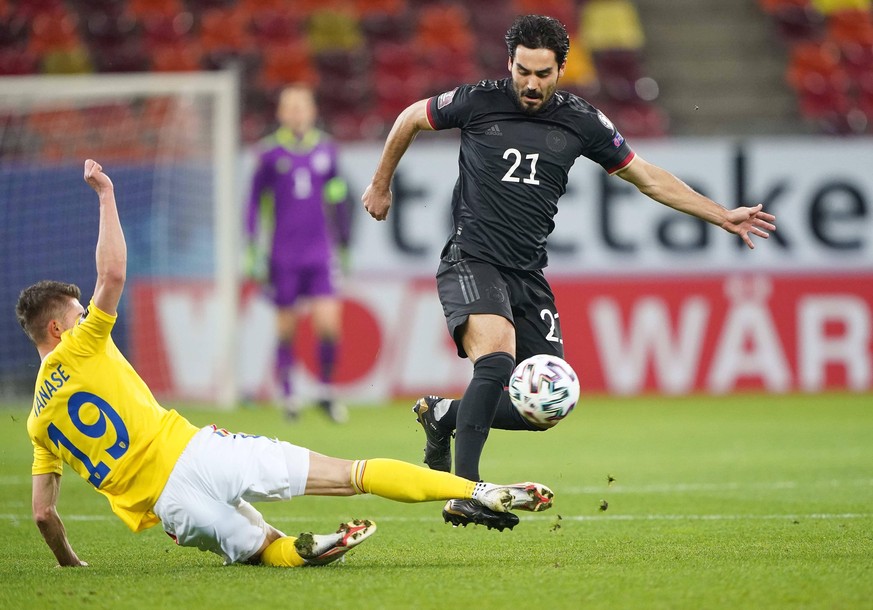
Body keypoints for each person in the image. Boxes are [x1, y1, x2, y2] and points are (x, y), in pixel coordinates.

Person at [16, 160, 555, 569]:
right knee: (352, 475)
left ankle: (302, 550)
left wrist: (69, 562)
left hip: (170, 506)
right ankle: (475, 489)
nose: (88, 313)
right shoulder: (81, 345)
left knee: (264, 550)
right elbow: (111, 276)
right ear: (59, 328)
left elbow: (43, 514)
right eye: (78, 312)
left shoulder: (38, 424)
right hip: (199, 452)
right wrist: (107, 195)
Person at [362, 15, 777, 530]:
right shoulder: (477, 100)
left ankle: (444, 416)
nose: (530, 84)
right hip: (472, 259)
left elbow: (646, 177)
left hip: (528, 273)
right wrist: (381, 185)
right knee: (494, 360)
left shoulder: (582, 121)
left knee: (550, 400)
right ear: (509, 63)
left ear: (562, 68)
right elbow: (408, 118)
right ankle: (464, 491)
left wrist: (720, 214)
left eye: (542, 73)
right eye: (521, 71)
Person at [245, 84, 353, 423]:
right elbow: (252, 203)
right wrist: (252, 249)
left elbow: (337, 194)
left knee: (329, 325)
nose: (295, 113)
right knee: (286, 327)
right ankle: (289, 395)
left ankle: (325, 391)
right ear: (280, 113)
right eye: (289, 107)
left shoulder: (327, 151)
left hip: (320, 253)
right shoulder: (269, 155)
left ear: (312, 111)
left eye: (301, 107)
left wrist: (345, 240)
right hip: (283, 255)